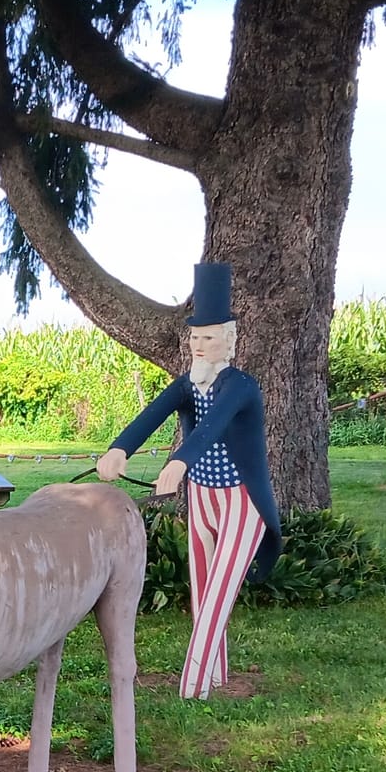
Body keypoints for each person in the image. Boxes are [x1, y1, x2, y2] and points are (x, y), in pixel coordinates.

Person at [96, 262, 281, 699]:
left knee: (217, 597)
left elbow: (212, 427)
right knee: (202, 594)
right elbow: (152, 414)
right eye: (195, 338)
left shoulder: (241, 386)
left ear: (228, 341)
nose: (199, 345)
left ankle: (192, 691)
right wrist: (120, 448)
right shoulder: (187, 384)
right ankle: (214, 677)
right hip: (201, 498)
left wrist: (179, 462)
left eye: (208, 338)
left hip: (242, 503)